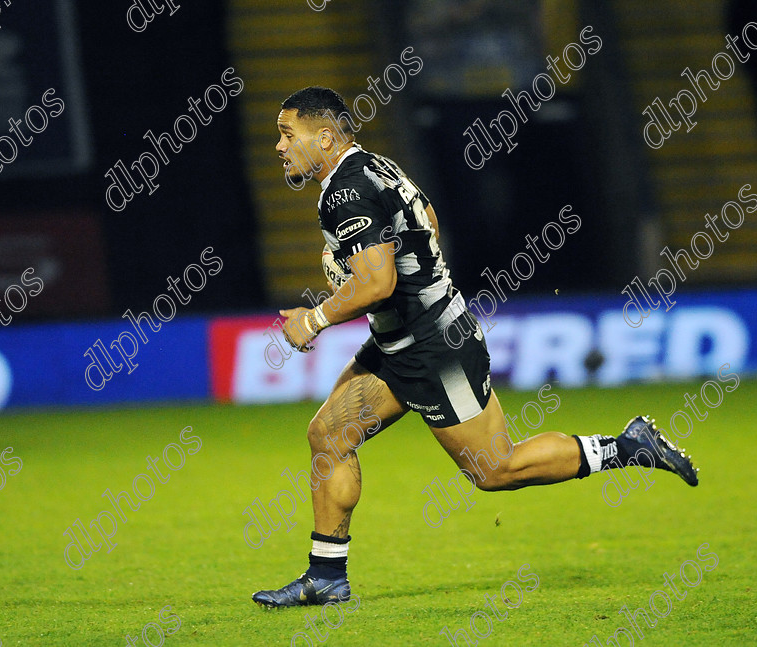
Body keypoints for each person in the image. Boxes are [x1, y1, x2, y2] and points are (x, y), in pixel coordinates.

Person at [252, 86, 698, 609]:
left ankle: (628, 446)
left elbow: (376, 284)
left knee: (495, 471)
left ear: (324, 137)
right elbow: (430, 223)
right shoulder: (373, 167)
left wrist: (317, 317)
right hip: (404, 341)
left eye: (287, 134)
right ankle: (326, 576)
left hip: (435, 347)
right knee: (328, 435)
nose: (279, 147)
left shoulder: (343, 192)